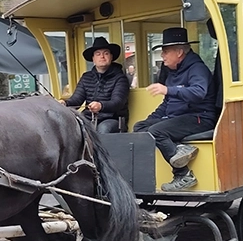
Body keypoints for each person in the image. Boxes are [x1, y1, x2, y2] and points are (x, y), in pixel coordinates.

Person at [133, 27, 218, 191]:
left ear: (179, 52)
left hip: (200, 118)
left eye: (165, 51)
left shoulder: (197, 68)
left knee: (157, 131)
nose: (162, 56)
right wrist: (150, 119)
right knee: (140, 127)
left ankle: (184, 175)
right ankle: (180, 149)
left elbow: (199, 93)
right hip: (180, 118)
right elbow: (167, 103)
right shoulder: (172, 71)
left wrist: (168, 89)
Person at [59, 37, 129, 133]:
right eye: (98, 54)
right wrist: (64, 103)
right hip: (88, 117)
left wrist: (101, 106)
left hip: (114, 119)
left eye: (106, 53)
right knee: (70, 127)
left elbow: (118, 102)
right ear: (93, 59)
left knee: (104, 129)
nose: (102, 56)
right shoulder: (86, 77)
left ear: (111, 57)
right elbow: (77, 99)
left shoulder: (120, 78)